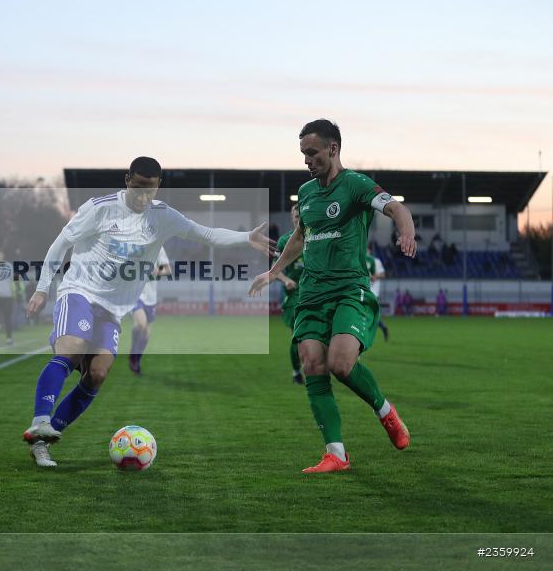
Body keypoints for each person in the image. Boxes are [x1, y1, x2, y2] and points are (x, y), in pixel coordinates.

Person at [22, 156, 274, 467]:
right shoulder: (100, 208)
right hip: (80, 291)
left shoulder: (163, 216)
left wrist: (245, 237)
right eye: (138, 188)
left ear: (158, 188)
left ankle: (43, 443)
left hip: (113, 310)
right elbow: (61, 244)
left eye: (150, 190)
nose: (143, 196)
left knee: (97, 374)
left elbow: (205, 234)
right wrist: (43, 288)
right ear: (127, 180)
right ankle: (41, 419)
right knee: (72, 348)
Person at [249, 119, 415, 474]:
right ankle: (335, 453)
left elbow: (396, 208)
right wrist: (274, 270)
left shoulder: (354, 185)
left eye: (312, 153)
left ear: (333, 149)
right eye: (303, 154)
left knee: (341, 364)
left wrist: (407, 233)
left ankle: (385, 412)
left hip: (347, 290)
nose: (307, 160)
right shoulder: (307, 193)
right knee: (312, 364)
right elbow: (298, 238)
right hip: (311, 293)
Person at [274, 204, 306, 384]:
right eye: (296, 216)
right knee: (298, 336)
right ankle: (296, 372)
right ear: (291, 218)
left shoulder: (316, 238)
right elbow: (274, 270)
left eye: (301, 216)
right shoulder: (284, 241)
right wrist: (285, 280)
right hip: (293, 297)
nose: (299, 219)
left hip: (315, 294)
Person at [127, 247, 171, 375]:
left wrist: (157, 272)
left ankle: (136, 359)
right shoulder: (133, 245)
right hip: (135, 294)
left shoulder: (159, 248)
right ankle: (133, 351)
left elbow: (168, 270)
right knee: (141, 323)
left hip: (151, 297)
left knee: (146, 334)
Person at [366, 244, 389, 342]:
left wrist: (374, 277)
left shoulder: (375, 261)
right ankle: (383, 327)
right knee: (368, 315)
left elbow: (383, 274)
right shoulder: (361, 259)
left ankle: (360, 343)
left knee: (366, 315)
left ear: (369, 250)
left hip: (373, 292)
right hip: (364, 291)